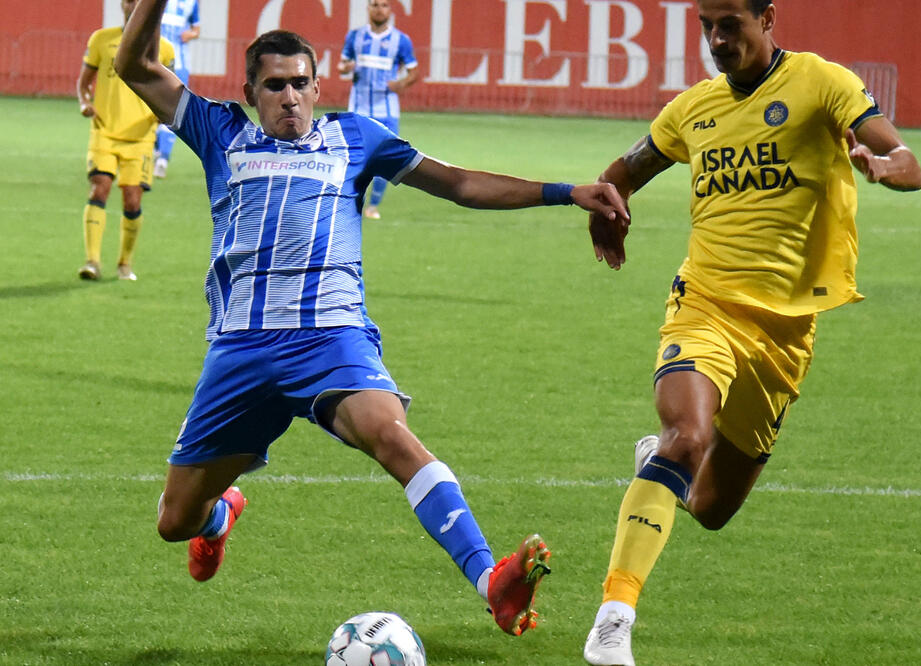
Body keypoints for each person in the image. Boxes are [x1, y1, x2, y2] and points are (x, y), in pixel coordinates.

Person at [114, 0, 628, 637]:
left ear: (318, 86)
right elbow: (132, 63)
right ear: (249, 92)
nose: (290, 97)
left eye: (301, 82)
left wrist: (565, 191)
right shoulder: (220, 132)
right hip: (241, 349)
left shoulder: (355, 137)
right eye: (274, 86)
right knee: (175, 521)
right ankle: (219, 519)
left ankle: (491, 580)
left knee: (393, 436)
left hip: (332, 339)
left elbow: (460, 183)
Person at [581, 1, 921, 663]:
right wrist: (606, 208)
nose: (716, 38)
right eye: (707, 25)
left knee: (710, 507)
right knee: (688, 435)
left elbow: (904, 153)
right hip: (704, 303)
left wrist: (886, 168)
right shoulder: (692, 109)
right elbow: (625, 170)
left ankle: (663, 464)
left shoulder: (824, 84)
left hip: (785, 332)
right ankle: (613, 620)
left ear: (768, 19)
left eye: (730, 22)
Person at [76, 0, 175, 281]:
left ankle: (124, 264)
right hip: (104, 131)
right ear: (123, 5)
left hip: (141, 138)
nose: (134, 5)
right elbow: (84, 82)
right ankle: (92, 261)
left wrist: (162, 111)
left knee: (132, 200)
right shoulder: (101, 39)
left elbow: (170, 89)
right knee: (99, 189)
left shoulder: (163, 49)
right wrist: (85, 102)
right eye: (130, 0)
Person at [337, 0, 420, 220]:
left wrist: (401, 84)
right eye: (374, 4)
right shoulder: (355, 37)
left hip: (387, 110)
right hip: (358, 108)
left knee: (386, 157)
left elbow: (414, 72)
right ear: (368, 8)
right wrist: (346, 68)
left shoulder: (401, 40)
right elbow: (341, 65)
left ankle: (373, 206)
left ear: (390, 10)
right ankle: (350, 202)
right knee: (352, 157)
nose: (379, 9)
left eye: (383, 5)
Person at [153, 0, 200, 179]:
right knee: (151, 107)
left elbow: (196, 29)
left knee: (172, 110)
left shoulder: (191, 3)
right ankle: (157, 147)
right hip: (155, 62)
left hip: (178, 65)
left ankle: (163, 158)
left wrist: (190, 34)